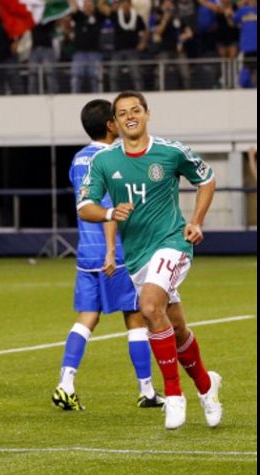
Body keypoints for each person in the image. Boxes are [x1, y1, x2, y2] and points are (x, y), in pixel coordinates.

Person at [77, 90, 221, 430]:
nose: (130, 116)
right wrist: (110, 212)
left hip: (173, 243)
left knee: (150, 307)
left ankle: (173, 395)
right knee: (176, 327)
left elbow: (206, 179)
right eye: (122, 113)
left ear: (147, 114)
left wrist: (196, 221)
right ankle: (206, 386)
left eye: (136, 110)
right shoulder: (104, 161)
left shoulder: (171, 152)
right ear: (114, 123)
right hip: (138, 255)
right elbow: (85, 206)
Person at [52, 99, 163, 412]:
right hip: (116, 253)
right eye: (118, 116)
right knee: (135, 317)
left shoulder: (78, 159)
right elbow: (109, 207)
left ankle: (65, 384)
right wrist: (112, 250)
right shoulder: (113, 158)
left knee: (87, 316)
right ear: (110, 124)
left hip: (86, 251)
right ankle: (146, 390)